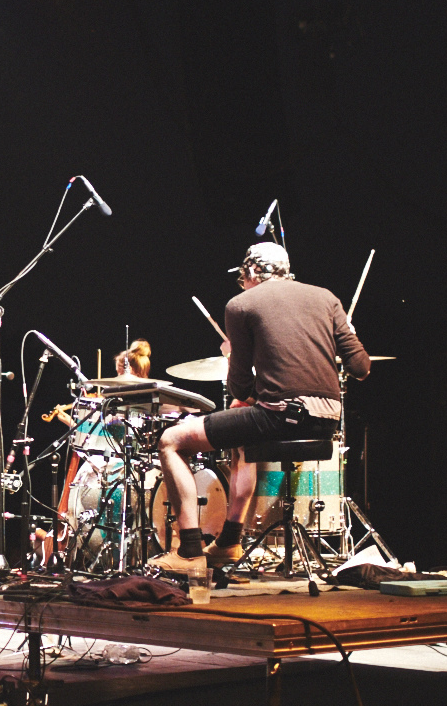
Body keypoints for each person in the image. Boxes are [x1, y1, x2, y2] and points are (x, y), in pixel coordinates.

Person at [154, 243, 369, 579]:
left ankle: (189, 550)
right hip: (327, 420)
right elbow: (360, 367)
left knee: (172, 440)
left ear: (252, 272)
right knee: (242, 426)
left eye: (243, 278)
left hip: (283, 416)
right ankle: (228, 541)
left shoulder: (241, 305)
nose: (243, 285)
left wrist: (232, 354)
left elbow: (239, 386)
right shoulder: (327, 298)